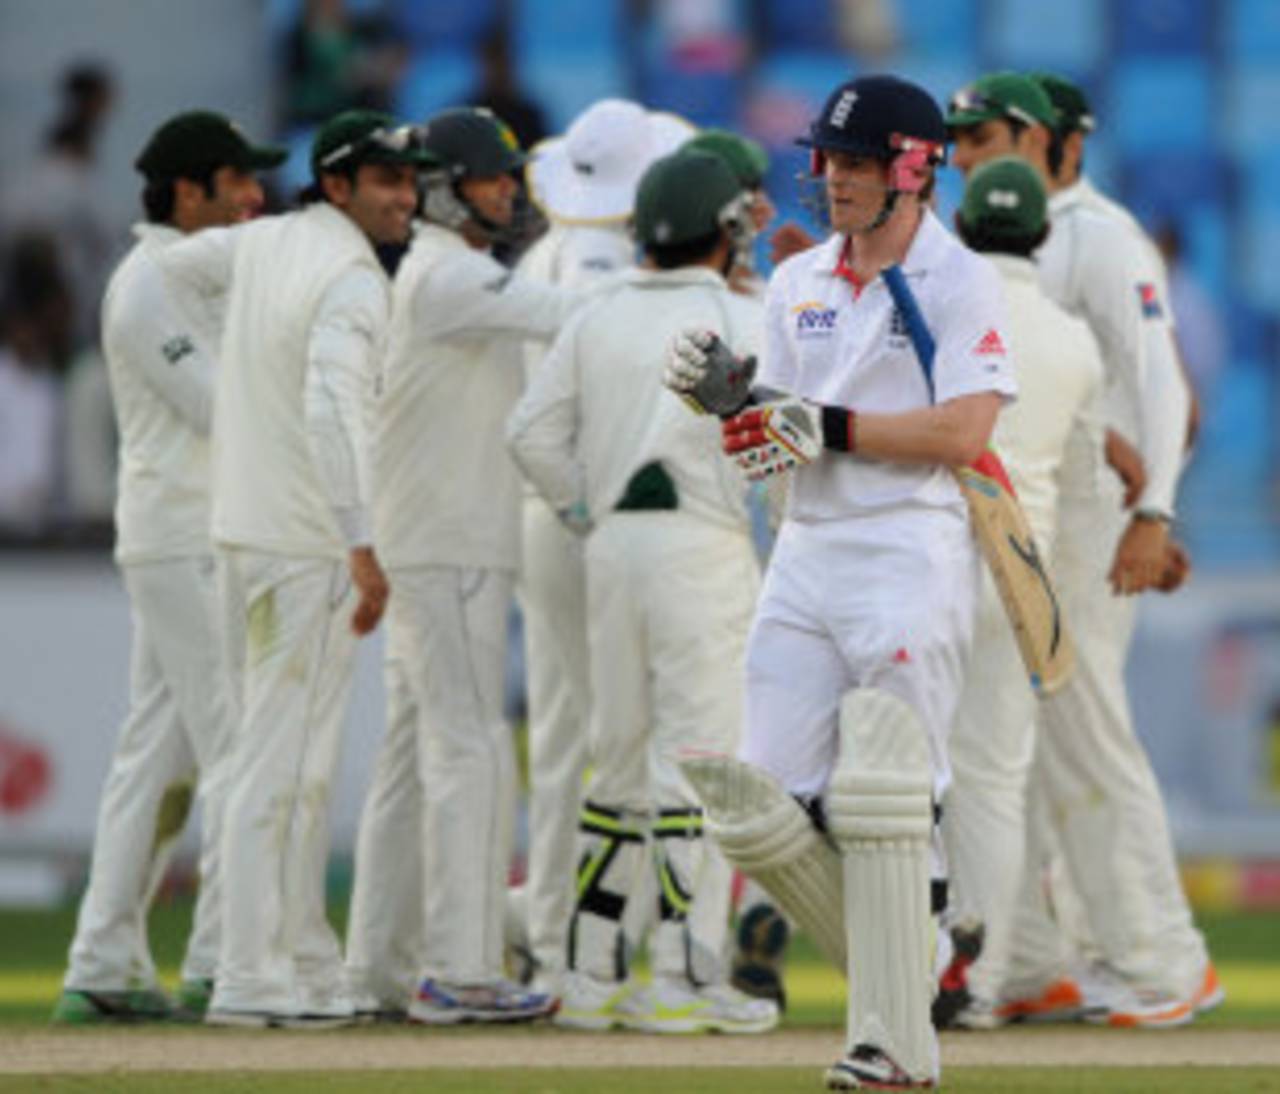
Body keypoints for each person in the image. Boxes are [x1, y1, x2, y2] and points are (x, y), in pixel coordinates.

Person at [666, 74, 1016, 1089]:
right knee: (761, 805)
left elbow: (962, 432)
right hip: (807, 549)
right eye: (825, 158)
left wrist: (822, 426)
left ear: (914, 166)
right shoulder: (799, 282)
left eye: (855, 161)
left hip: (908, 546)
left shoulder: (959, 281)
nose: (830, 177)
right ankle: (918, 968)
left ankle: (888, 1042)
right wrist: (733, 401)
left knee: (890, 800)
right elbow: (769, 444)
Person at [147, 109, 430, 1027]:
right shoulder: (349, 277)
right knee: (284, 760)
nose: (406, 196)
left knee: (272, 755)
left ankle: (300, 961)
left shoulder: (262, 241)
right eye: (385, 181)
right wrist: (360, 539)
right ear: (338, 187)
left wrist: (242, 361)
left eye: (409, 179)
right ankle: (251, 975)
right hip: (306, 543)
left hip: (242, 532)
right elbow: (330, 411)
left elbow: (167, 268)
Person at [946, 71, 1216, 1028]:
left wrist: (1154, 513)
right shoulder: (989, 245)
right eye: (958, 145)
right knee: (997, 742)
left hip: (1090, 528)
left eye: (979, 141)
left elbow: (1160, 382)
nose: (962, 160)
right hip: (1031, 515)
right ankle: (1021, 962)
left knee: (1083, 728)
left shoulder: (1099, 235)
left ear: (1042, 137)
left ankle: (1159, 962)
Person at [507, 148, 777, 1036]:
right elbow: (780, 451)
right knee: (701, 763)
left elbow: (531, 436)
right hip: (701, 545)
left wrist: (588, 511)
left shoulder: (596, 313)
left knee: (613, 754)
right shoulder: (744, 314)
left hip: (611, 547)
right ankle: (681, 977)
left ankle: (588, 977)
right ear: (726, 227)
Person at [49, 112, 286, 1024]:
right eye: (239, 183)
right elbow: (226, 409)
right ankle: (223, 961)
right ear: (189, 192)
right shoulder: (149, 284)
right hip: (184, 535)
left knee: (156, 756)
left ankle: (103, 960)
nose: (256, 198)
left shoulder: (196, 276)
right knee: (236, 741)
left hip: (192, 532)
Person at [344, 106, 577, 1025]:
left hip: (431, 541)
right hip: (451, 545)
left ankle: (377, 968)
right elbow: (577, 316)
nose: (508, 194)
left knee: (414, 756)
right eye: (492, 180)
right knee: (471, 747)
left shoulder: (444, 273)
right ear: (447, 190)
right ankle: (462, 968)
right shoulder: (450, 279)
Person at [506, 98, 687, 998]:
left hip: (554, 509)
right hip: (594, 509)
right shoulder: (605, 268)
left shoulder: (546, 250)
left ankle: (553, 936)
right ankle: (591, 943)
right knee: (620, 736)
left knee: (570, 735)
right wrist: (591, 512)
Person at [937, 156, 1103, 1029]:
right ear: (1043, 234)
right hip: (1020, 562)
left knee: (912, 777)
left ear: (963, 227)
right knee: (995, 781)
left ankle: (910, 966)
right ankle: (980, 981)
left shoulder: (936, 308)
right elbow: (1086, 484)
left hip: (926, 554)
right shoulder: (1074, 338)